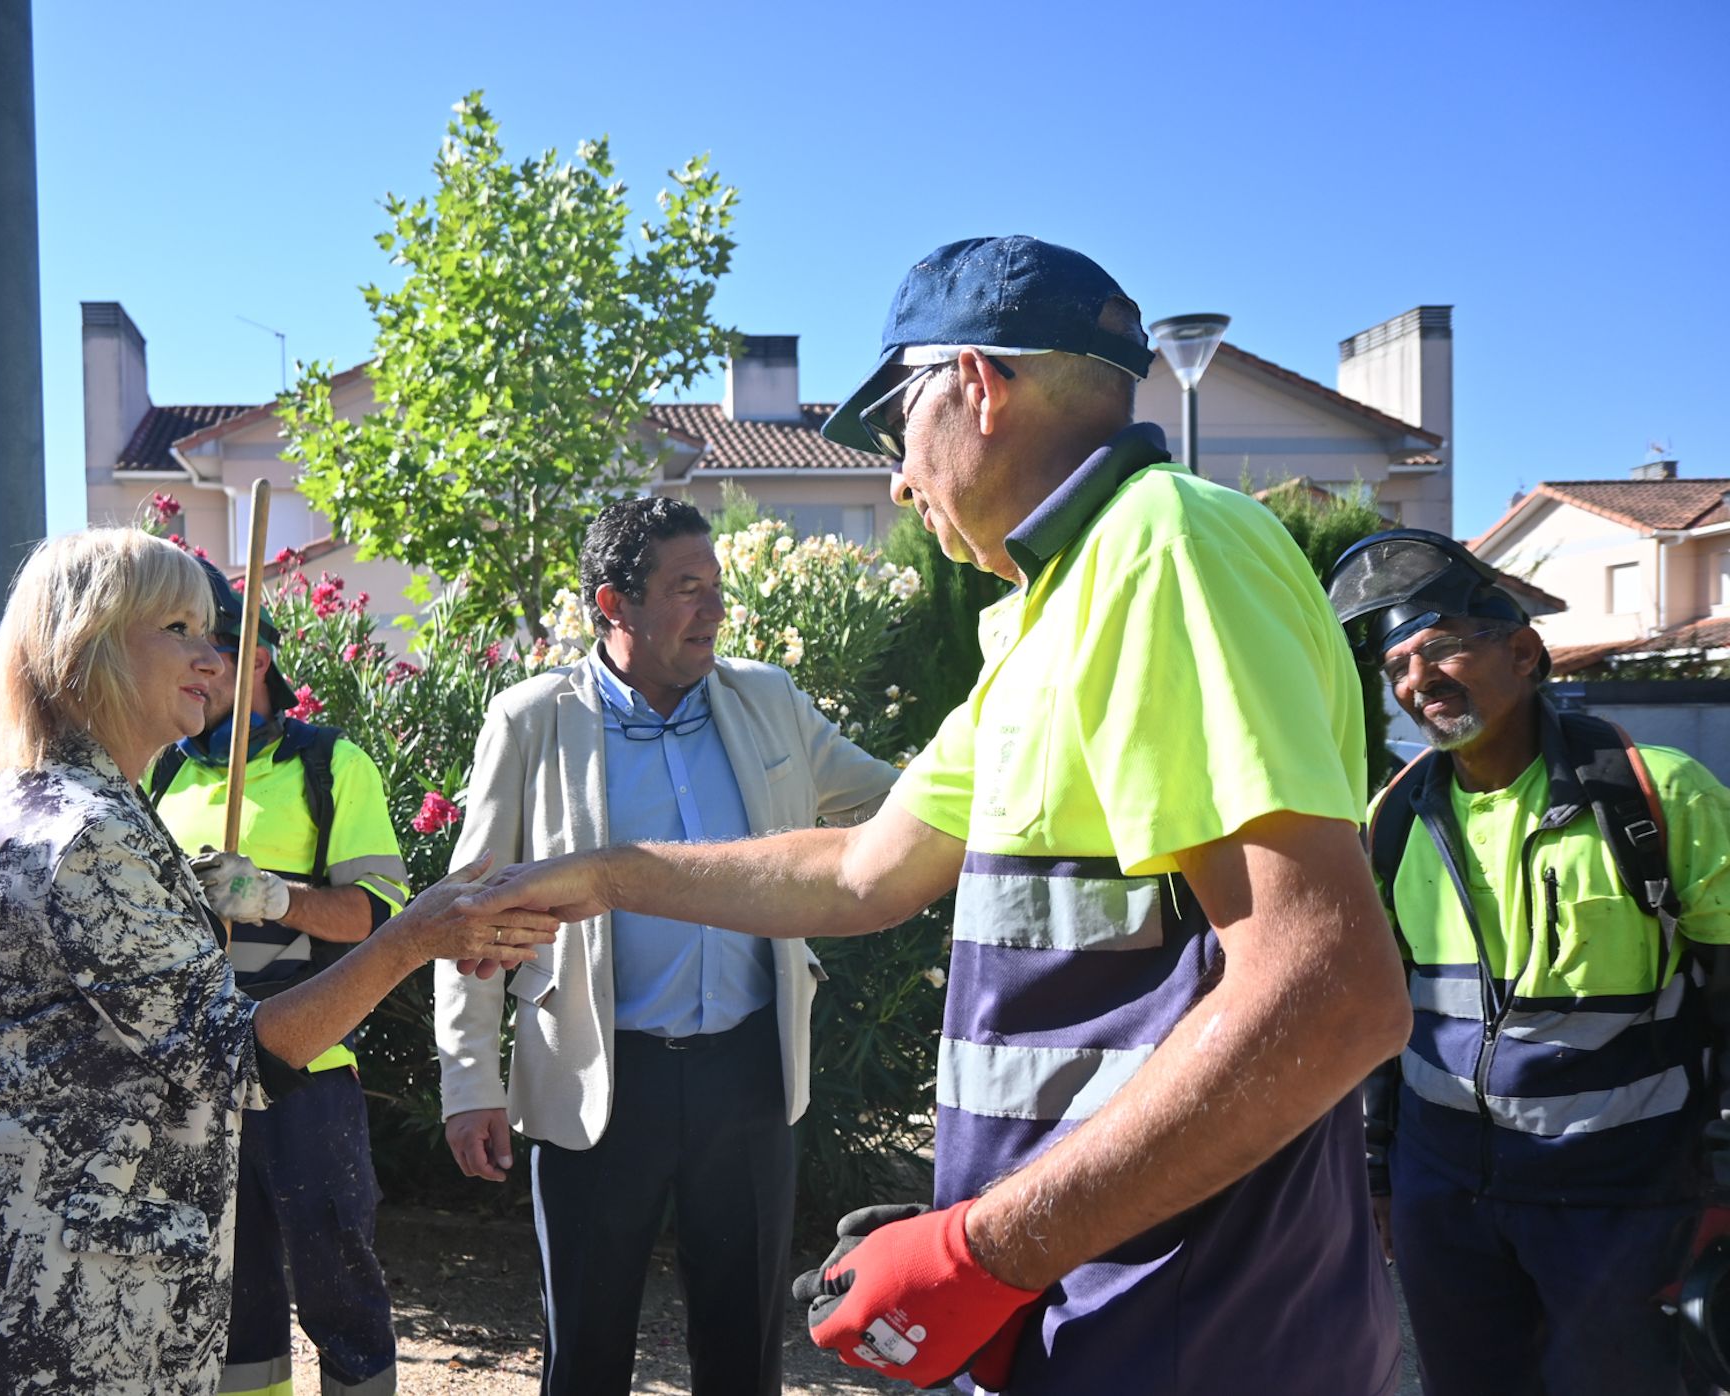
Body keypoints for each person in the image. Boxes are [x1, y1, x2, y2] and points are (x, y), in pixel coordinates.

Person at [460, 236, 1411, 1395]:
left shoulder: (1163, 553)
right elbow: (864, 868)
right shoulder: (1049, 611)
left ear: (976, 384)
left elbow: (1329, 990)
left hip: (1186, 1316)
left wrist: (981, 1247)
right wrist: (604, 877)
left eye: (893, 430)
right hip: (1093, 1295)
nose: (899, 482)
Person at [0, 528, 554, 1396]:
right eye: (178, 630)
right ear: (86, 647)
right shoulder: (85, 828)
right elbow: (227, 1058)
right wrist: (416, 938)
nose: (214, 659)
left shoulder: (74, 796)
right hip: (50, 1299)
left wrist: (290, 903)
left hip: (46, 1268)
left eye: (214, 634)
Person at [435, 495, 897, 1396]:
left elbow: (890, 802)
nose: (714, 609)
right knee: (589, 1354)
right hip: (598, 1082)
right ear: (614, 605)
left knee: (744, 1352)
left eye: (716, 586)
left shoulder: (767, 699)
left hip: (749, 1076)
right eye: (688, 589)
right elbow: (468, 914)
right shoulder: (533, 722)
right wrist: (468, 1083)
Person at [1327, 528, 1730, 1396]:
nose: (1417, 682)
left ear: (1524, 653)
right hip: (1445, 1196)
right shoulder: (1392, 818)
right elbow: (1385, 1007)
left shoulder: (1656, 791)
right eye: (1398, 667)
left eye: (1441, 650)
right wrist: (1378, 1170)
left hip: (1621, 1198)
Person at [155, 558, 407, 1396]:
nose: (187, 668)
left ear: (255, 657)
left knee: (340, 1287)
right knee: (230, 1297)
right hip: (196, 1076)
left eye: (206, 649)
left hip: (309, 1070)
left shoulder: (331, 767)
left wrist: (270, 894)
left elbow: (379, 914)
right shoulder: (160, 771)